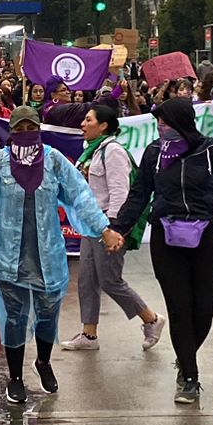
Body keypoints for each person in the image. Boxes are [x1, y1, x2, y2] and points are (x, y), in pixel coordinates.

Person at [0, 106, 124, 407]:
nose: (26, 134)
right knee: (14, 317)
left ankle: (43, 361)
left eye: (31, 127)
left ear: (39, 128)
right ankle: (15, 377)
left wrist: (104, 229)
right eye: (20, 129)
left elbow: (80, 195)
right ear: (11, 132)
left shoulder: (54, 161)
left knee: (48, 314)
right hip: (6, 255)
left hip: (46, 255)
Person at [110, 99, 213, 405]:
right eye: (158, 123)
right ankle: (189, 377)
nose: (160, 127)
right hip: (166, 237)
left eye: (164, 122)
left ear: (180, 122)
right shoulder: (153, 153)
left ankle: (185, 355)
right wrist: (118, 228)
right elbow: (139, 195)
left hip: (204, 236)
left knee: (203, 310)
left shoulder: (211, 151)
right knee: (179, 310)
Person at [60, 103, 164, 353]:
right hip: (90, 224)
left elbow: (120, 192)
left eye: (88, 120)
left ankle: (151, 319)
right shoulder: (92, 151)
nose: (82, 125)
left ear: (103, 125)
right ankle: (89, 334)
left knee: (110, 281)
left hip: (107, 225)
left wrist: (114, 230)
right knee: (86, 280)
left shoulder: (113, 151)